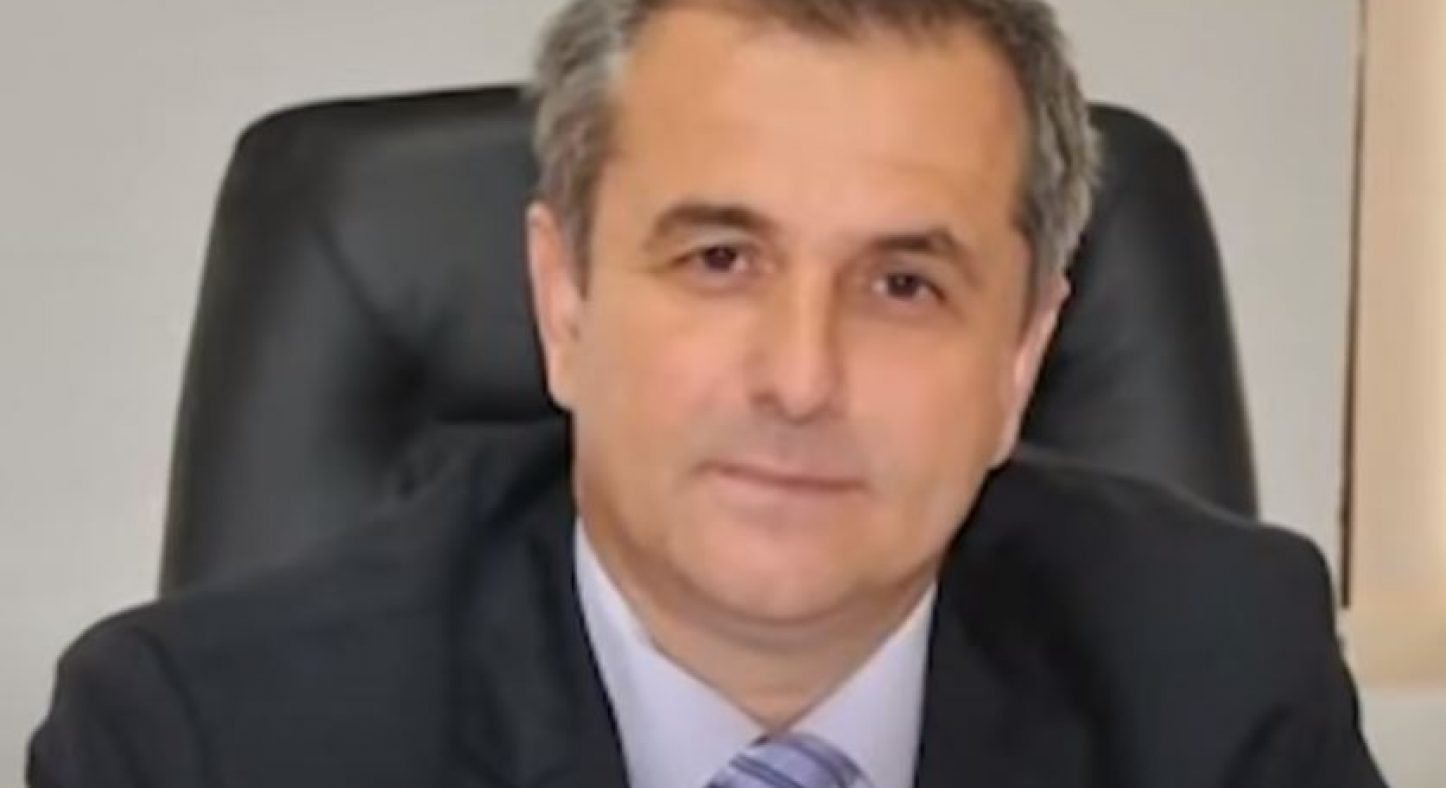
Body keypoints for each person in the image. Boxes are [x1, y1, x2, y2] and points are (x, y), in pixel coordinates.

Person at [30, 0, 1387, 786]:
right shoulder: (206, 747)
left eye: (903, 283)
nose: (800, 378)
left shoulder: (1220, 684)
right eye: (720, 260)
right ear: (565, 303)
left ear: (1022, 354)